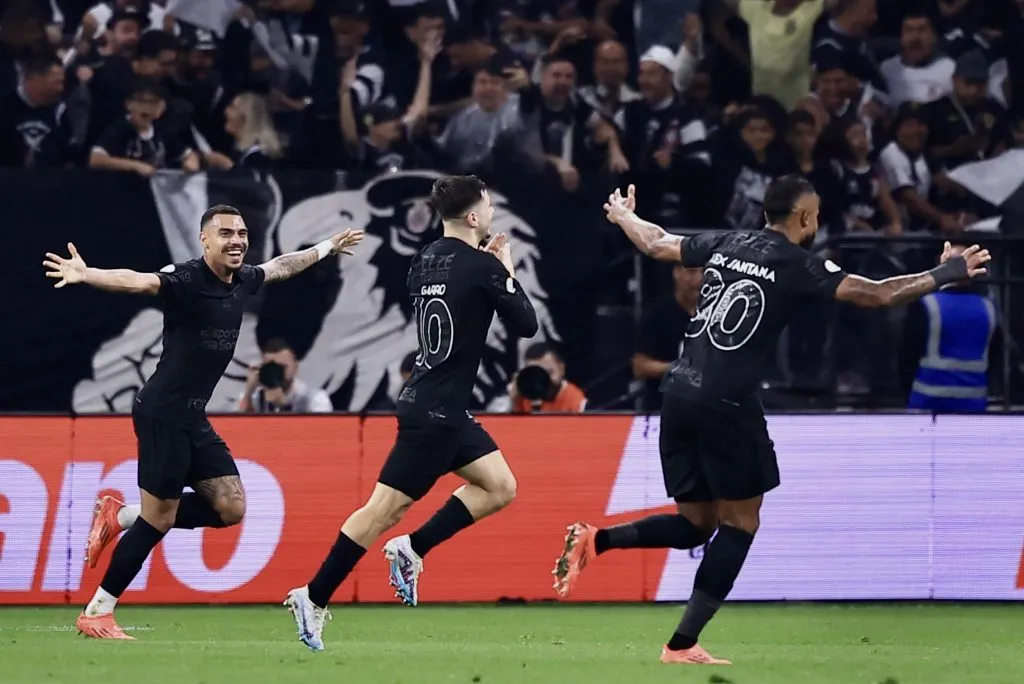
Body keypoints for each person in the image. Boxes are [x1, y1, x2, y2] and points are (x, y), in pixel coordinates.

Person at [552, 177, 990, 665]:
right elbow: (878, 294)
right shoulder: (798, 262)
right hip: (726, 403)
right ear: (804, 218)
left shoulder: (726, 241)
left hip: (678, 393)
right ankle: (681, 645)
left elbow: (656, 243)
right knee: (741, 523)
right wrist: (946, 271)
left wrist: (624, 216)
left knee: (698, 524)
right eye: (817, 215)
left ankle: (598, 539)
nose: (818, 223)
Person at [42, 205, 364, 640]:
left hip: (191, 415)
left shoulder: (243, 279)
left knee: (231, 507)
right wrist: (88, 274)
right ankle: (98, 610)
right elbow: (139, 280)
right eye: (226, 233)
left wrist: (327, 247)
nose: (237, 240)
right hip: (162, 413)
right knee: (160, 519)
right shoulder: (186, 280)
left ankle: (121, 516)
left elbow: (281, 266)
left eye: (242, 233)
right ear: (204, 240)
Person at [284, 175, 539, 652]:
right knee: (382, 511)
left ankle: (411, 548)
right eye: (487, 206)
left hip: (437, 404)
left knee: (500, 485)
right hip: (436, 414)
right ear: (474, 217)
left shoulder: (423, 260)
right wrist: (504, 269)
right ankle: (313, 596)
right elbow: (527, 325)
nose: (491, 213)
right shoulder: (482, 267)